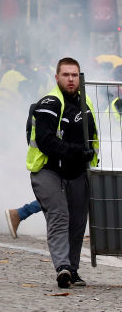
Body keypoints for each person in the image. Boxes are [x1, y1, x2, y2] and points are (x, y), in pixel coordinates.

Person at [27, 57, 99, 289]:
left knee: (78, 222)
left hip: (77, 172)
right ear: (56, 77)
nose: (70, 79)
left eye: (74, 75)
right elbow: (45, 141)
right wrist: (76, 152)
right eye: (66, 75)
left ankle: (73, 269)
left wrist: (91, 159)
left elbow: (93, 138)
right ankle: (63, 268)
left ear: (80, 77)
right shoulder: (50, 102)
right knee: (59, 216)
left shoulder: (84, 101)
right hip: (47, 169)